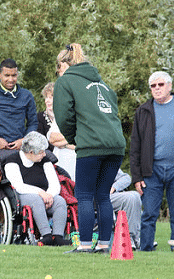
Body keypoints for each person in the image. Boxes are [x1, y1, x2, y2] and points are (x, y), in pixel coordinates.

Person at [54, 43, 126, 253]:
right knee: (103, 195)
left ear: (64, 64)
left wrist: (73, 138)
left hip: (91, 145)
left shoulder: (65, 82)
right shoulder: (102, 83)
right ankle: (104, 245)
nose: (58, 72)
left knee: (84, 194)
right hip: (116, 145)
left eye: (58, 67)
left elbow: (64, 116)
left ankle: (84, 245)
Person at [130, 71, 174, 252]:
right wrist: (137, 177)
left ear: (169, 86)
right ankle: (145, 250)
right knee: (149, 214)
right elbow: (135, 145)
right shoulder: (143, 111)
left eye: (161, 85)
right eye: (153, 86)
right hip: (151, 170)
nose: (157, 88)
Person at [3, 131, 71, 246]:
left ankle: (58, 236)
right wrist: (41, 193)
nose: (44, 154)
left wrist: (49, 195)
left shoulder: (45, 161)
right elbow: (19, 186)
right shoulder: (12, 161)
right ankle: (46, 235)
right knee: (36, 199)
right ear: (30, 152)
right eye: (41, 152)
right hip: (23, 196)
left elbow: (55, 183)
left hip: (46, 197)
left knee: (60, 201)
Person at [36, 82, 76, 179]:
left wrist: (63, 143)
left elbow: (85, 141)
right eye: (46, 97)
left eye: (51, 97)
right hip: (51, 160)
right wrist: (74, 139)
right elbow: (51, 139)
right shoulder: (40, 118)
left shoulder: (71, 114)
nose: (47, 101)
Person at [110, 168, 142, 250]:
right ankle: (130, 238)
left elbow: (126, 178)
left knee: (135, 195)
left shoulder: (108, 161)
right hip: (96, 198)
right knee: (130, 198)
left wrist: (114, 187)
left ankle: (136, 238)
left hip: (112, 194)